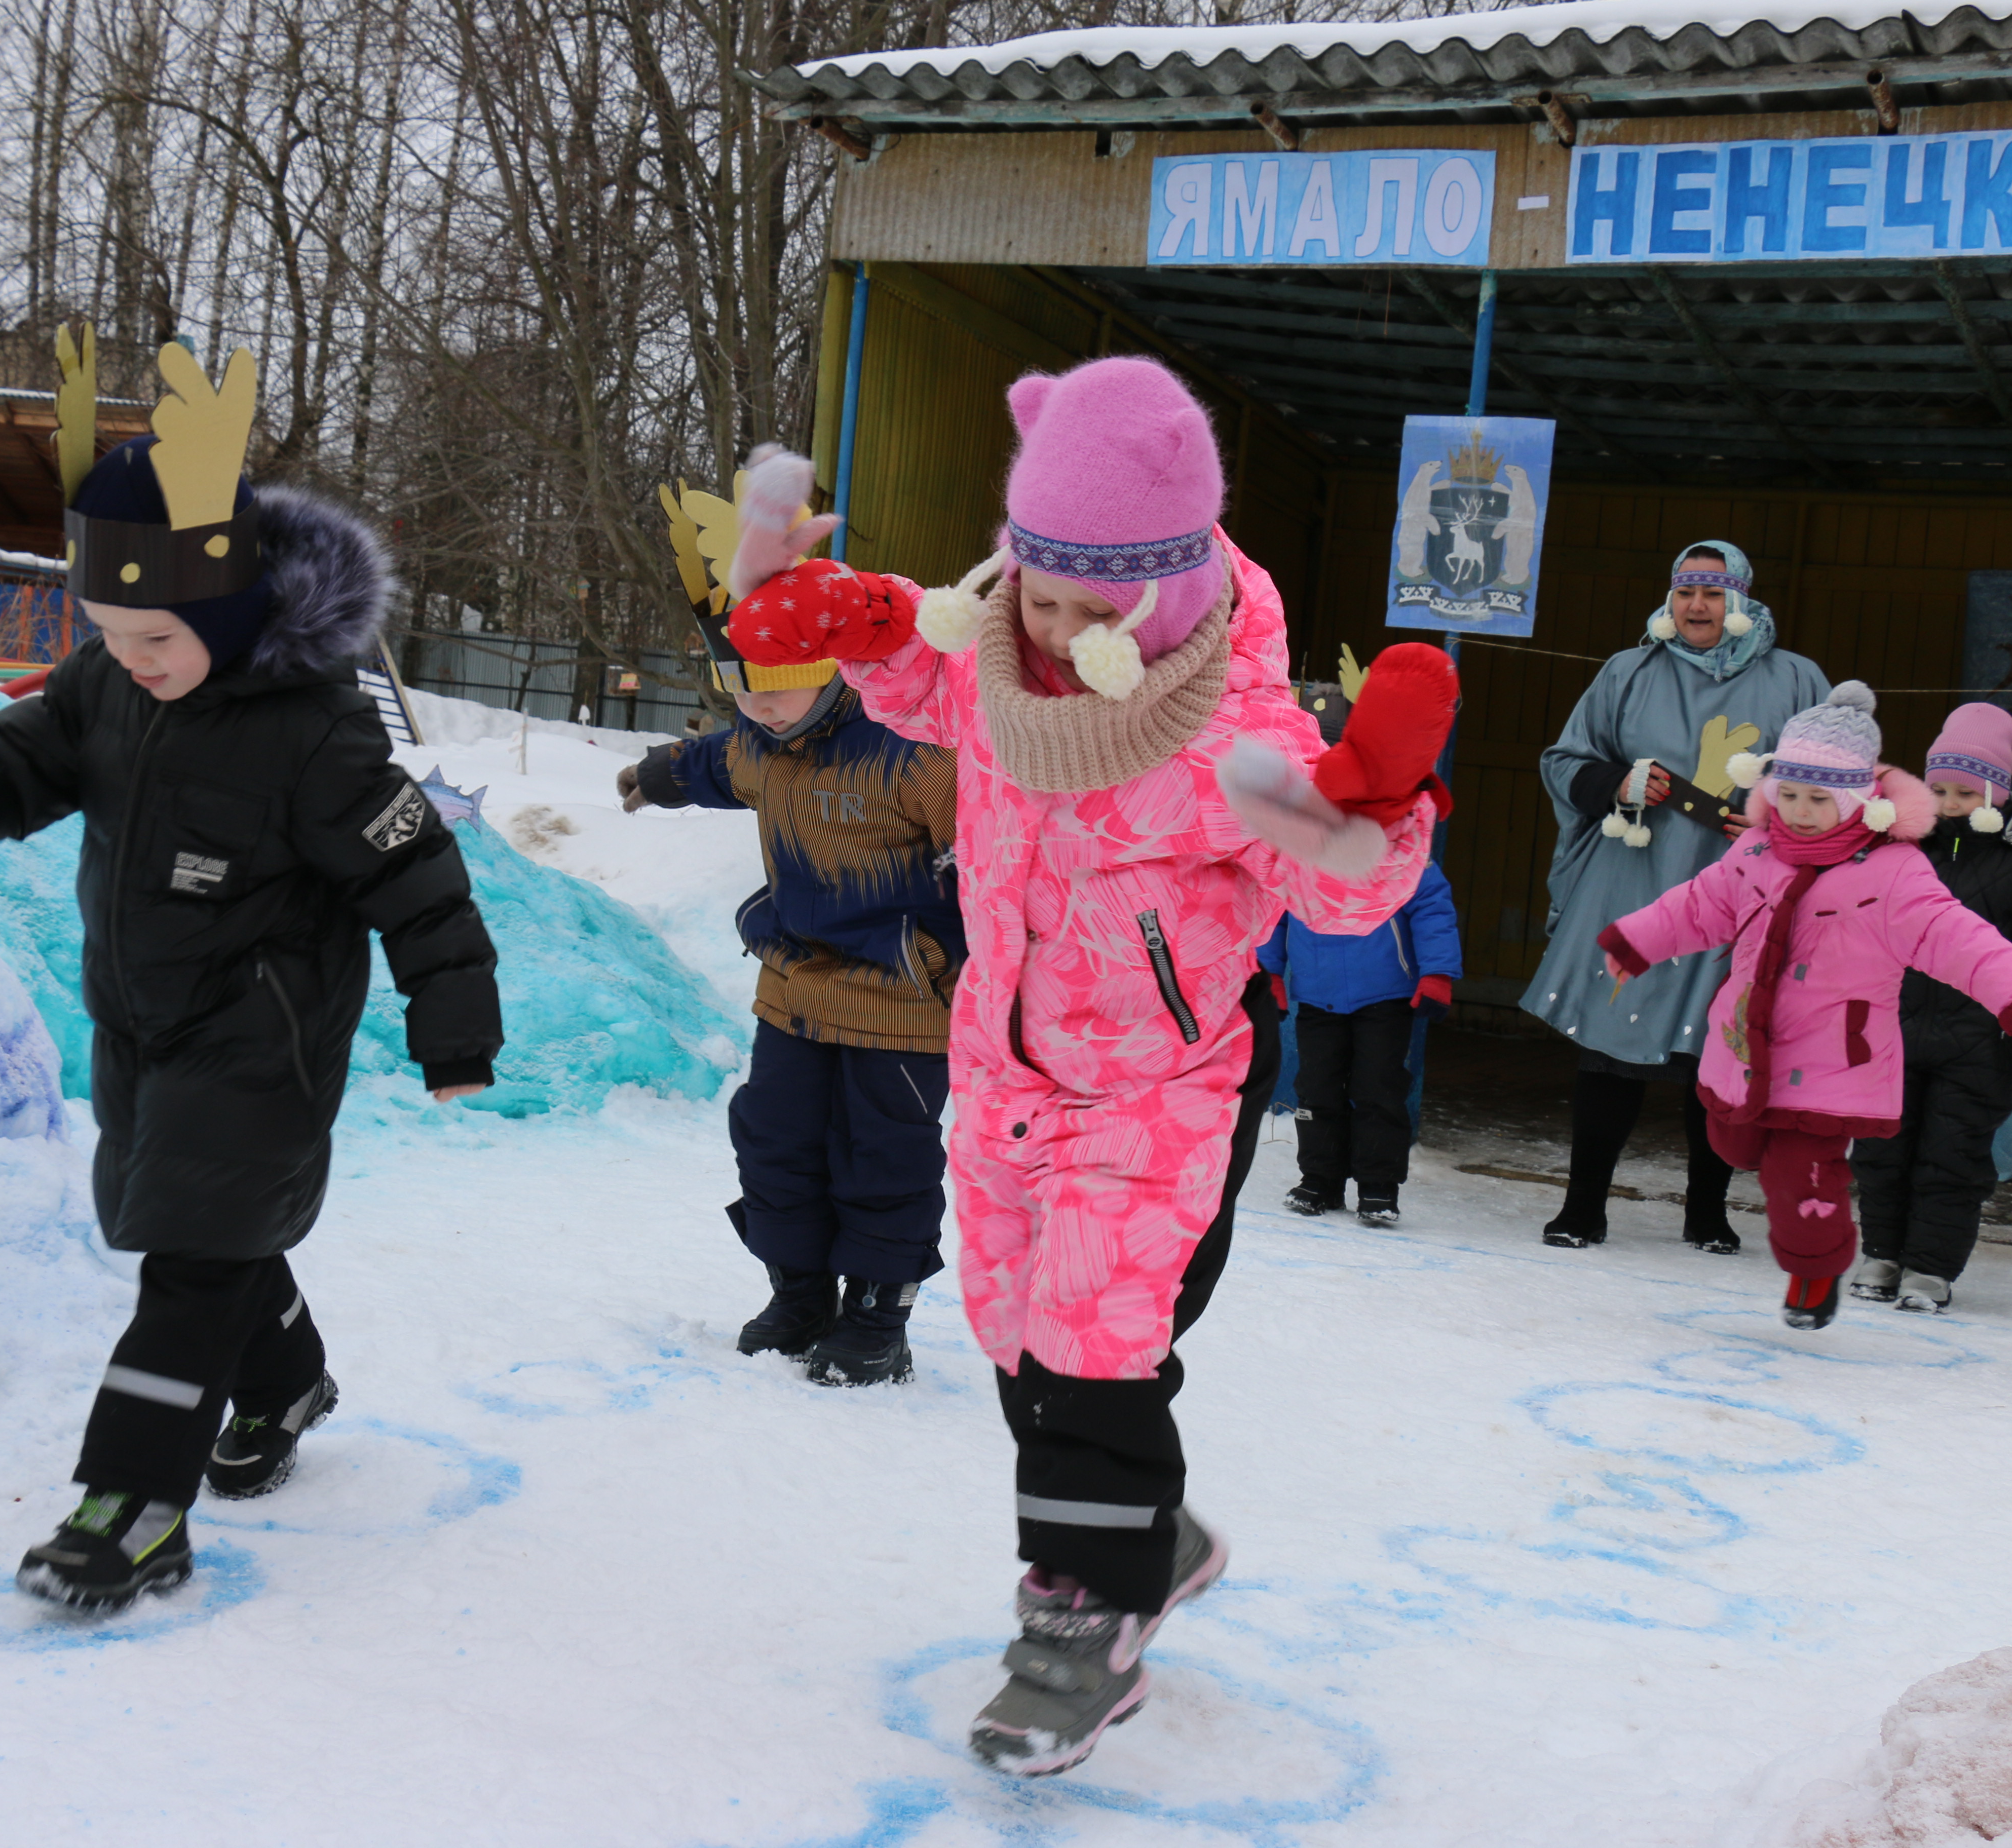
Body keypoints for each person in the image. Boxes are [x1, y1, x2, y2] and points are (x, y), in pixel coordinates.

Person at [718, 356, 1456, 1776]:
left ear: (1171, 595)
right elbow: (902, 663)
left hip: (1161, 1093)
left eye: (1091, 611)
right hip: (1007, 1075)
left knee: (1090, 1340)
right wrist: (802, 592)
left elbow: (1349, 893)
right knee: (1014, 1336)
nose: (1056, 633)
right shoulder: (1002, 666)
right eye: (1039, 595)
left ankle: (1081, 1622)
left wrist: (1384, 798)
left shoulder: (1236, 740)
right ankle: (1142, 1534)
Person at [0, 344, 502, 1612]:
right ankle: (288, 1381)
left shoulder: (315, 730)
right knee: (188, 1230)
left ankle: (133, 1510)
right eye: (105, 633)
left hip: (265, 1037)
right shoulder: (107, 688)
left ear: (228, 604)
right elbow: (12, 772)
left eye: (154, 634)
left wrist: (452, 1026)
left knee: (186, 1261)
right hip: (139, 1024)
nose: (130, 656)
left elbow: (416, 878)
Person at [1597, 683, 2012, 1331]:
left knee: (1802, 1179)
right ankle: (1797, 1202)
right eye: (1788, 795)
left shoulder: (1894, 871)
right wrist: (1636, 940)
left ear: (1857, 800)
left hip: (1833, 1059)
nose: (1802, 811)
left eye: (1819, 799)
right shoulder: (1757, 850)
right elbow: (1701, 904)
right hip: (1745, 1046)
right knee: (1732, 1141)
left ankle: (1816, 1274)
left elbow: (1961, 940)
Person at [614, 620, 960, 1385]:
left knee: (884, 1156)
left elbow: (996, 863)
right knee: (774, 1138)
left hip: (905, 998)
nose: (762, 708)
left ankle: (876, 1317)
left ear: (834, 667)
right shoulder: (757, 742)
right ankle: (800, 1296)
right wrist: (662, 773)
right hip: (795, 986)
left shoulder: (917, 747)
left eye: (778, 688)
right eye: (742, 689)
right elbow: (718, 763)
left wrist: (982, 971)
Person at [1528, 543, 1829, 1254]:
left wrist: (1773, 815)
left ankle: (1707, 1213)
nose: (1697, 606)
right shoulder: (1627, 672)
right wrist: (1618, 785)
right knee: (1608, 1049)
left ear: (1744, 601)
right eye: (1686, 592)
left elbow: (1836, 784)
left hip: (1738, 893)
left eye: (1714, 593)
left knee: (1717, 1050)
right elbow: (1564, 761)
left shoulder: (1798, 680)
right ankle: (1583, 1208)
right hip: (1632, 882)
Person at [1851, 704, 2012, 1313]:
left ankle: (1929, 1269)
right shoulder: (1896, 845)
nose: (1950, 802)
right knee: (1883, 1150)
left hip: (1980, 1041)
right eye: (1938, 789)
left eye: (1966, 791)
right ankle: (1881, 1253)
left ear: (1997, 792)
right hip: (1892, 1030)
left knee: (1952, 1156)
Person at [1258, 861, 1461, 1227]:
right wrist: (1268, 972)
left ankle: (1378, 1185)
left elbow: (1432, 908)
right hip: (1318, 992)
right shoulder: (1295, 853)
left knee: (1379, 1089)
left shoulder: (1403, 848)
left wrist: (1437, 973)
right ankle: (1321, 1180)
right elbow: (1271, 912)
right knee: (1318, 1089)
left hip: (1385, 992)